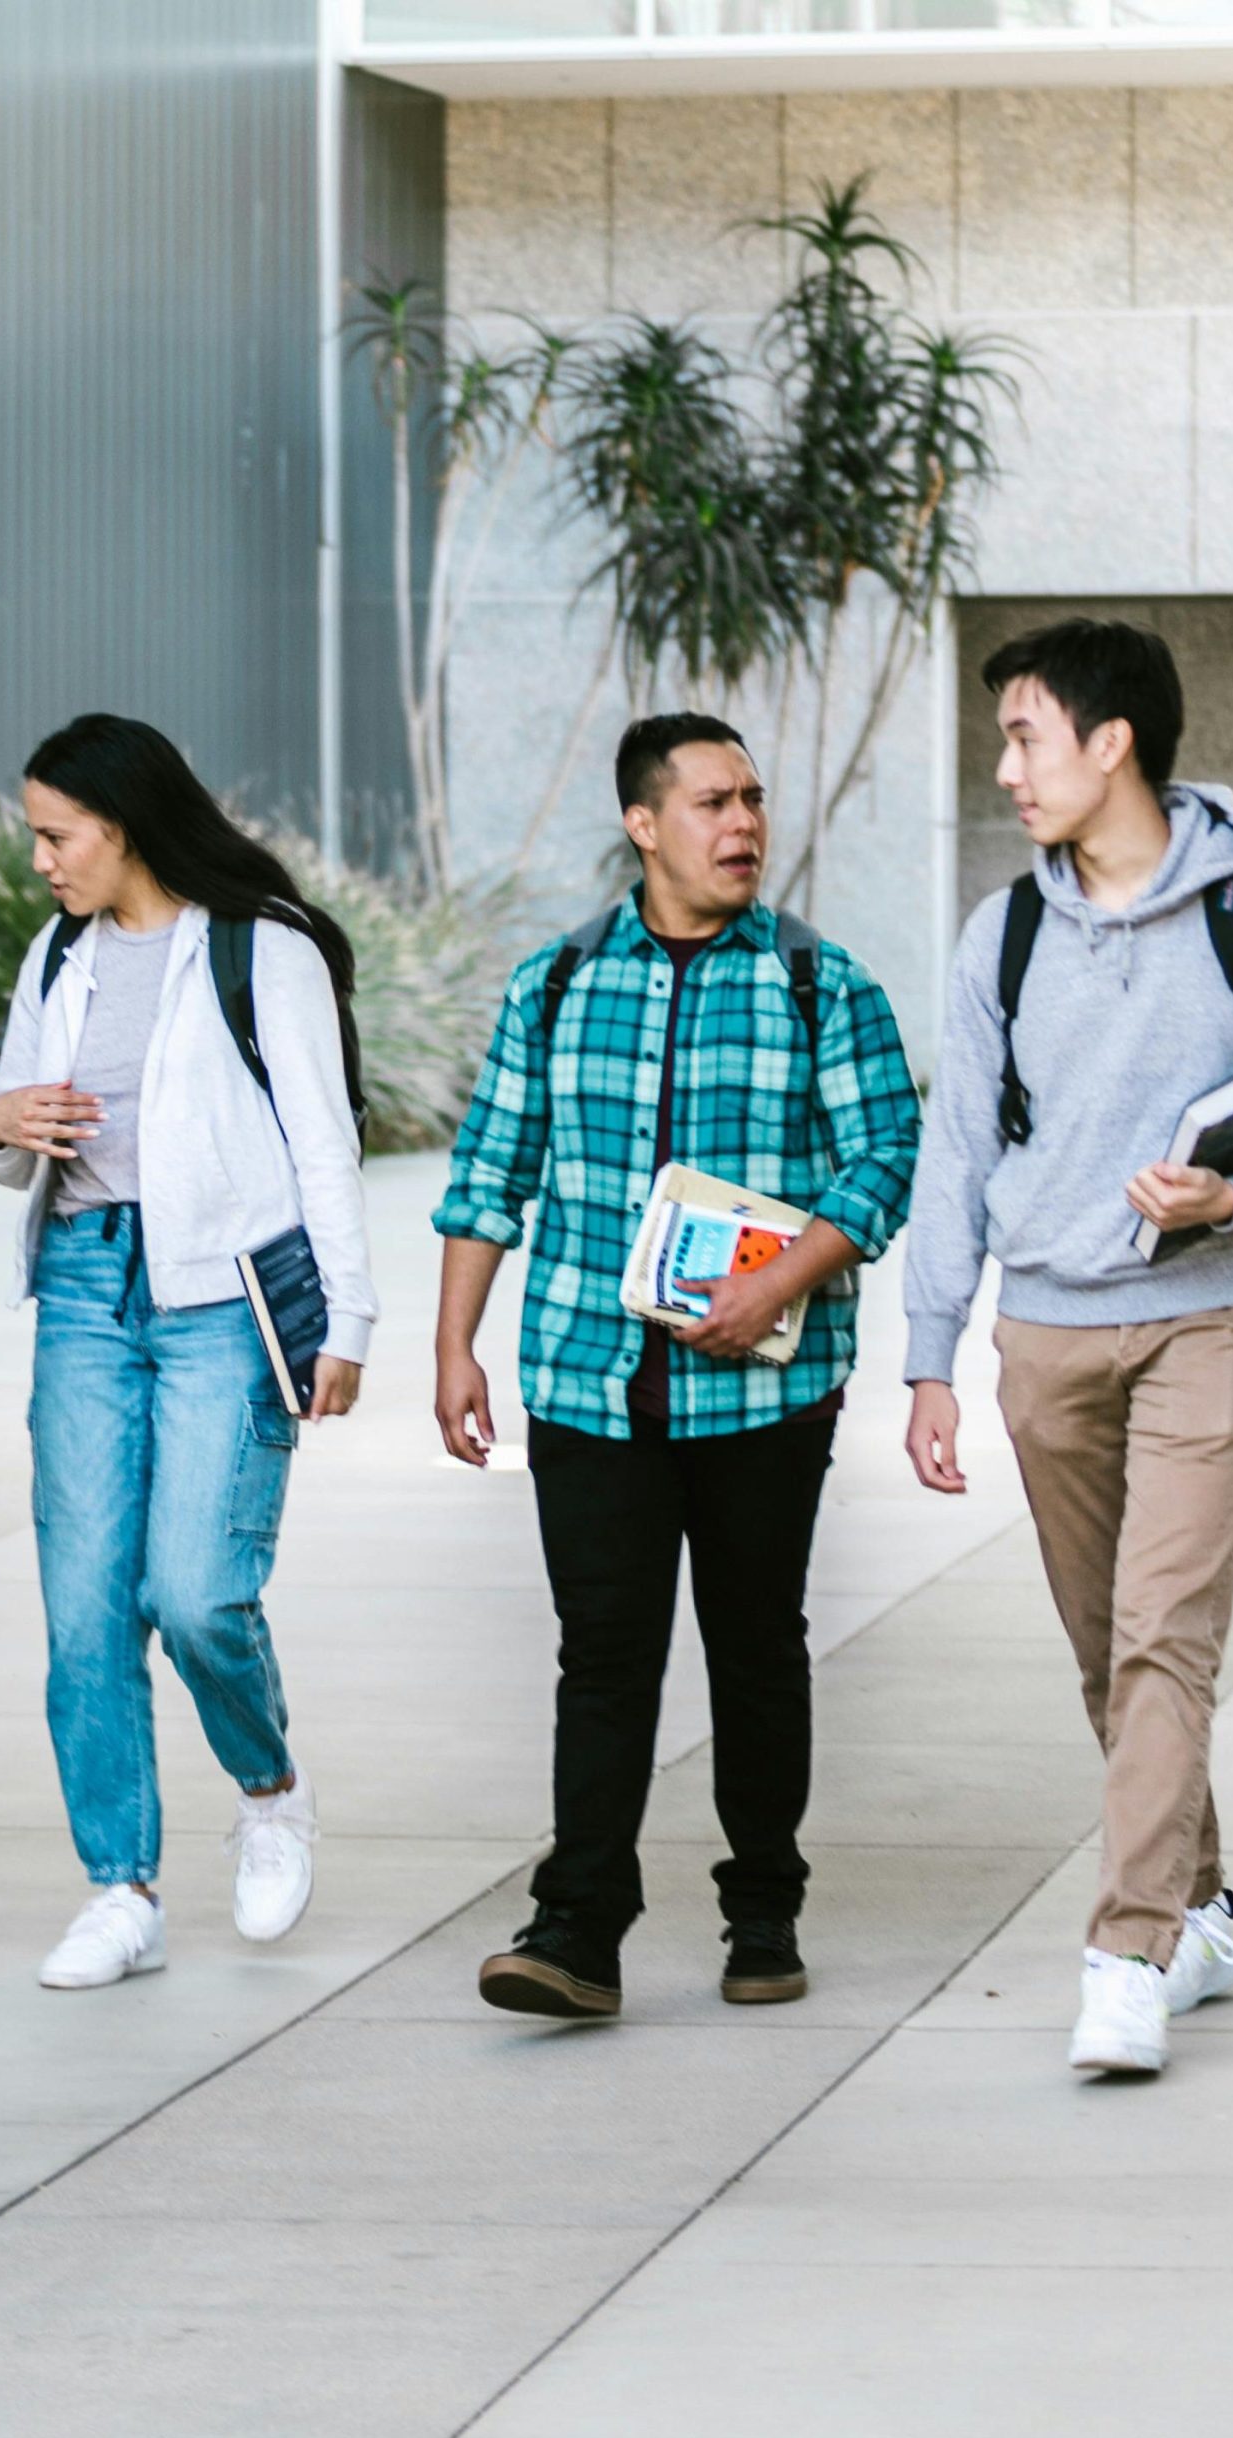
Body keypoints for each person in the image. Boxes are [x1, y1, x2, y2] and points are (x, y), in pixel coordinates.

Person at [901, 618, 1233, 2078]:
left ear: (1112, 743)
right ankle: (1207, 1905)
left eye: (1025, 737)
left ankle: (1129, 1953)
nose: (1006, 771)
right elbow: (955, 1151)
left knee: (1164, 1636)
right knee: (1111, 1661)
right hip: (1047, 1330)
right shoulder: (1011, 931)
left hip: (1207, 1318)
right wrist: (930, 1355)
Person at [434, 713, 922, 2021]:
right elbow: (490, 1171)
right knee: (604, 1655)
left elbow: (883, 1162)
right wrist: (453, 1346)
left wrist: (778, 1278)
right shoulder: (555, 984)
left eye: (754, 800)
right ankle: (578, 1928)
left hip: (767, 1389)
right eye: (713, 802)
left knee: (757, 1650)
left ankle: (763, 1911)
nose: (744, 824)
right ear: (643, 824)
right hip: (590, 1385)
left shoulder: (824, 985)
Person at [0, 713, 375, 1990]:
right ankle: (120, 1886)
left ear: (126, 822)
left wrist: (348, 1321)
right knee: (85, 1606)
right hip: (85, 1286)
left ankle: (270, 1789)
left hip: (220, 1297)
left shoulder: (266, 947)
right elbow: (3, 1144)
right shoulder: (57, 955)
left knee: (196, 1593)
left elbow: (325, 1141)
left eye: (57, 834)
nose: (41, 860)